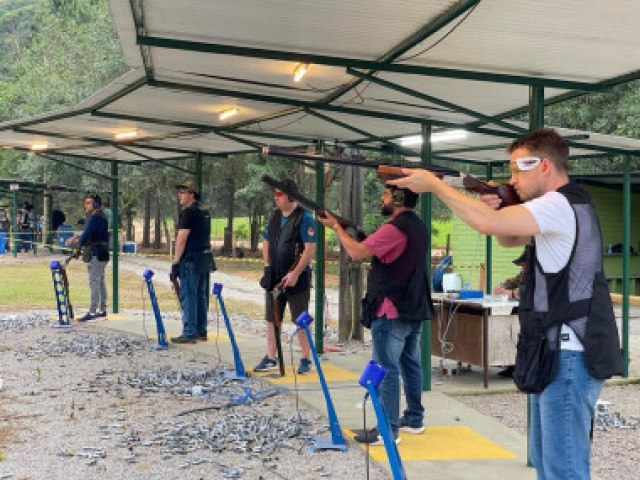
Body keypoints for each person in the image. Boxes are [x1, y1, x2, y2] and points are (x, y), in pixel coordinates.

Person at [390, 128, 622, 479]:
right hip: (557, 351)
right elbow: (508, 237)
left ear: (543, 165)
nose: (512, 178)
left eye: (517, 169)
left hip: (568, 353)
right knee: (550, 465)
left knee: (564, 470)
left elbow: (486, 224)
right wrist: (498, 207)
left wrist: (436, 185)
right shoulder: (572, 202)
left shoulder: (557, 204)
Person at [317, 183, 433, 445]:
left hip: (391, 309)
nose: (382, 198)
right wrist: (349, 230)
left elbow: (357, 253)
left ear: (399, 198)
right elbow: (380, 248)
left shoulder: (394, 228)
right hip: (412, 307)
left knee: (386, 369)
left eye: (387, 194)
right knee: (410, 365)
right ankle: (414, 418)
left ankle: (387, 430)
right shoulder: (417, 225)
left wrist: (336, 228)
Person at [254, 179, 316, 375]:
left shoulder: (304, 218)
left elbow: (309, 249)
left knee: (301, 319)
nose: (276, 197)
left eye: (279, 194)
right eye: (275, 193)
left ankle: (306, 358)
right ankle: (271, 356)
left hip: (297, 279)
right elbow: (266, 241)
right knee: (272, 319)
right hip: (274, 276)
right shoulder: (274, 217)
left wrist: (295, 273)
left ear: (291, 196)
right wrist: (267, 267)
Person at [171, 180, 213, 344]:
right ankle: (200, 330)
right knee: (200, 295)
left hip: (190, 259)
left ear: (192, 194)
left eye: (183, 191)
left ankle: (189, 331)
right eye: (179, 191)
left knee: (188, 295)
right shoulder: (204, 213)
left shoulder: (188, 213)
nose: (179, 195)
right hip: (202, 258)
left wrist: (176, 262)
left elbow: (181, 239)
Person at [66, 194, 110, 322]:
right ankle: (101, 310)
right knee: (100, 281)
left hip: (96, 253)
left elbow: (86, 235)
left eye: (88, 203)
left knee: (94, 282)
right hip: (102, 252)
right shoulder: (100, 217)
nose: (85, 205)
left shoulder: (95, 218)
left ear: (95, 205)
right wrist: (77, 238)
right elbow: (89, 233)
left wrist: (77, 245)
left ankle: (92, 311)